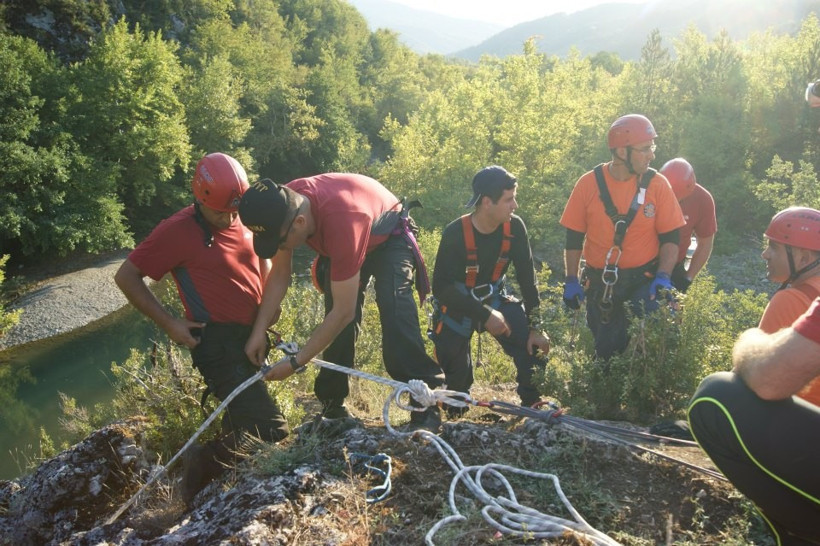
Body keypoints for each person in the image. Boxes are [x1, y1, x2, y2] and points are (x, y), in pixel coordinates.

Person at [114, 152, 289, 505]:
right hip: (217, 345)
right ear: (200, 197)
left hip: (252, 335)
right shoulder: (177, 230)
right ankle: (198, 468)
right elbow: (126, 276)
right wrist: (170, 324)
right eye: (220, 212)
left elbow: (263, 256)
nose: (229, 218)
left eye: (234, 211)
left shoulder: (241, 215)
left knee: (243, 419)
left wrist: (269, 305)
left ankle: (211, 497)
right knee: (270, 429)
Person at [237, 174, 445, 432]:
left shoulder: (342, 221)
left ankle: (425, 398)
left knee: (394, 307)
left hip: (388, 236)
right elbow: (280, 275)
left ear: (299, 223)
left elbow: (344, 312)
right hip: (345, 237)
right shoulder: (280, 204)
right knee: (337, 330)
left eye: (278, 242)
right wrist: (258, 332)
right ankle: (332, 406)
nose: (278, 247)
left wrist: (295, 363)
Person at [687, 304, 820, 545]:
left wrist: (748, 339)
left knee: (716, 398)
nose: (765, 262)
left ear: (802, 262)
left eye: (767, 260)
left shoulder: (789, 297)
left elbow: (769, 378)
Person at [559, 114, 686, 360]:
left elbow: (672, 236)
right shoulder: (588, 185)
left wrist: (663, 276)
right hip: (602, 285)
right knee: (606, 355)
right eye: (645, 148)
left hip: (644, 282)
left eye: (652, 147)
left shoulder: (657, 185)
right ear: (621, 151)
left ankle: (649, 389)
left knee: (660, 338)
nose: (652, 155)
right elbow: (573, 238)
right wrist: (571, 279)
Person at [429, 166, 551, 415]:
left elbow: (528, 280)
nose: (515, 205)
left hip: (494, 297)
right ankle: (456, 414)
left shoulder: (515, 228)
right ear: (487, 202)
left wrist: (536, 327)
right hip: (458, 305)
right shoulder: (455, 233)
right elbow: (441, 288)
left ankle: (532, 406)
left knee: (534, 346)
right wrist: (484, 314)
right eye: (509, 199)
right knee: (456, 388)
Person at [757, 206, 820, 405]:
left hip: (801, 420)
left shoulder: (789, 300)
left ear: (803, 258)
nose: (765, 254)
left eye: (774, 247)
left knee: (718, 387)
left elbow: (759, 378)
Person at [659, 158, 717, 293]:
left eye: (679, 198)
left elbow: (705, 243)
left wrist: (688, 278)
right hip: (641, 265)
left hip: (675, 266)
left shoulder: (703, 200)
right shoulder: (651, 188)